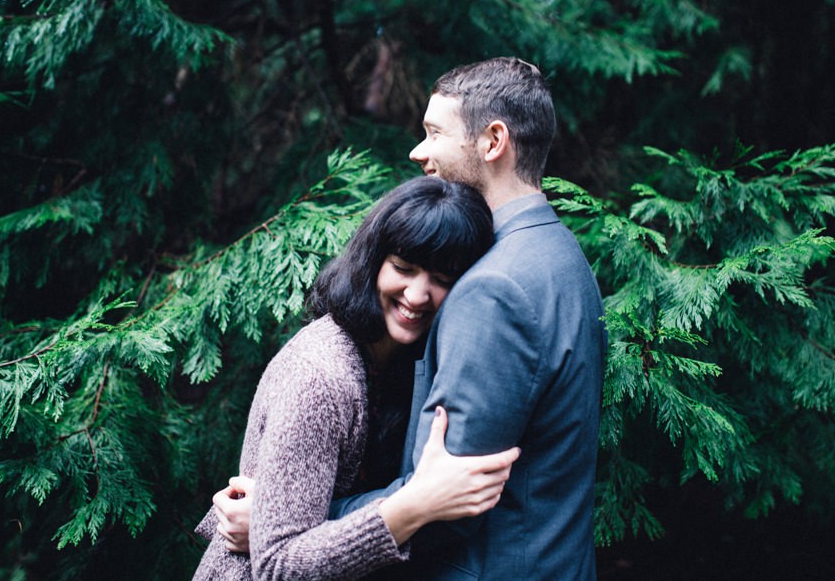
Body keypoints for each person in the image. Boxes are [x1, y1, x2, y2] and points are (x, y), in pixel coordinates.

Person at [216, 57, 606, 580]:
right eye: (403, 267)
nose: (418, 151)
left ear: (493, 142)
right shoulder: (560, 256)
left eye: (434, 133)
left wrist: (277, 516)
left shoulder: (493, 288)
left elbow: (442, 506)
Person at [192, 176, 521, 581]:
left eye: (443, 278)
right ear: (372, 262)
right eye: (404, 268)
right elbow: (277, 565)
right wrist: (415, 506)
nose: (418, 295)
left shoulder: (405, 360)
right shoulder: (319, 376)